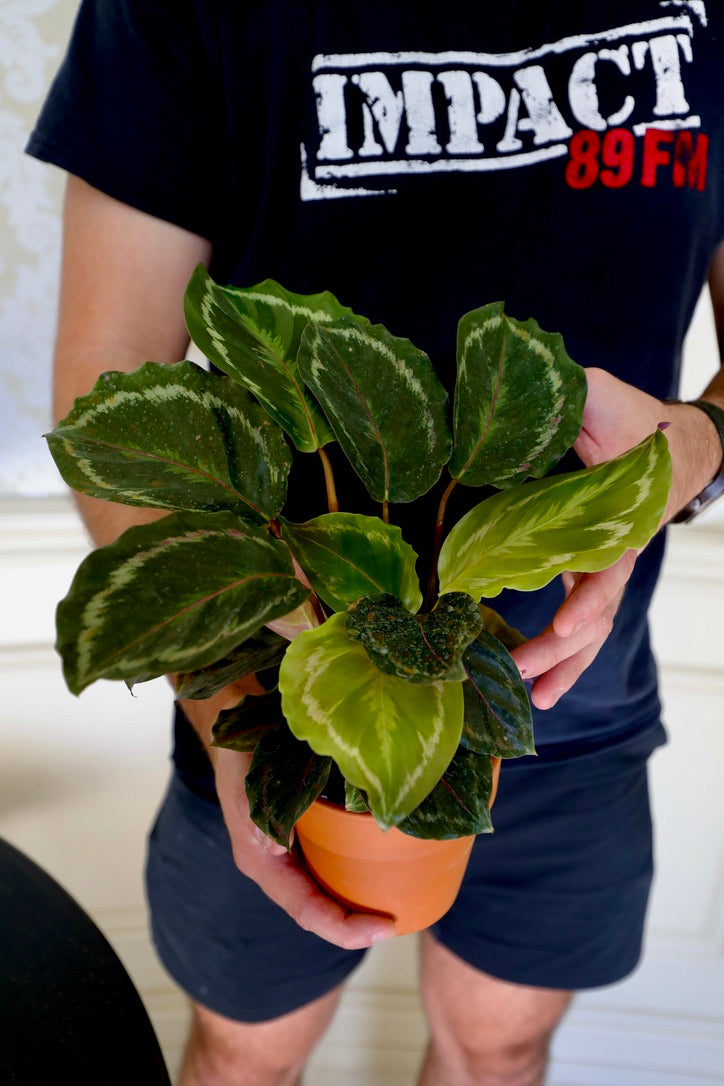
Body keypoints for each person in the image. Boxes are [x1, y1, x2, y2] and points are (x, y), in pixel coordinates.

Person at [27, 3, 723, 1084]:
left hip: (566, 717)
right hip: (274, 712)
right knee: (241, 1059)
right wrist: (228, 715)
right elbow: (109, 383)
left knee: (499, 1050)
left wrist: (691, 448)